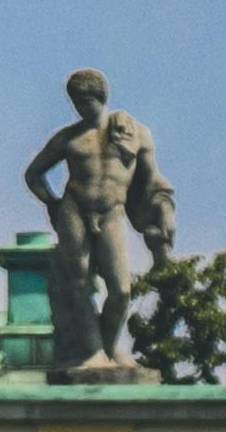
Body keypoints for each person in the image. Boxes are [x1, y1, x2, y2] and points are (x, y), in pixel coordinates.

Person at [22, 69, 179, 382]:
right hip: (74, 209)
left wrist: (163, 212)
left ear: (102, 98)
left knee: (121, 289)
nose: (83, 108)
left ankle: (107, 348)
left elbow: (152, 183)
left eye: (88, 101)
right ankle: (93, 352)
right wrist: (53, 203)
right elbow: (33, 174)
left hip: (113, 211)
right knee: (79, 283)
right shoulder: (69, 138)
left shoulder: (136, 133)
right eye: (77, 103)